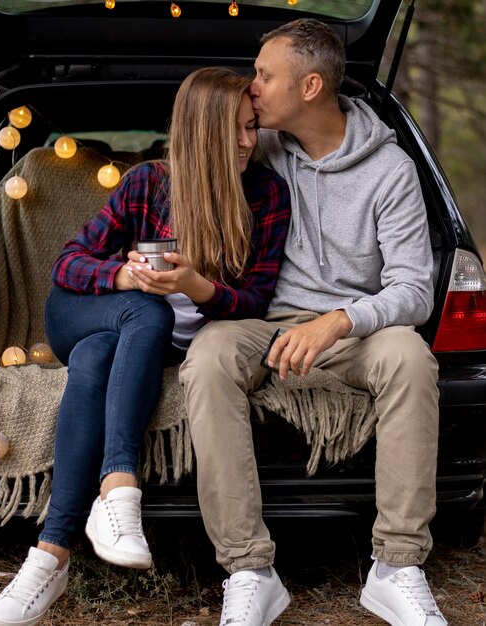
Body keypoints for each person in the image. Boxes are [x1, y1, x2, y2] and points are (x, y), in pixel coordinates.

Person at [0, 66, 291, 626]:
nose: (251, 141)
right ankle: (118, 488)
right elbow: (67, 266)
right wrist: (122, 276)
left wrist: (197, 287)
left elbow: (257, 301)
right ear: (202, 132)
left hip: (138, 341)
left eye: (254, 128)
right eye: (239, 130)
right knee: (142, 309)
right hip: (82, 311)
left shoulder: (266, 195)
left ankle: (49, 556)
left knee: (98, 357)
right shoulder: (148, 183)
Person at [179, 19, 447, 626]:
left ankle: (397, 567)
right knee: (210, 354)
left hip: (353, 332)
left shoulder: (391, 171)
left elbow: (412, 289)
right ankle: (249, 571)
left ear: (310, 86)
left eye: (265, 75)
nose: (253, 88)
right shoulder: (259, 145)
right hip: (265, 324)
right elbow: (193, 161)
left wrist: (338, 322)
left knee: (409, 356)